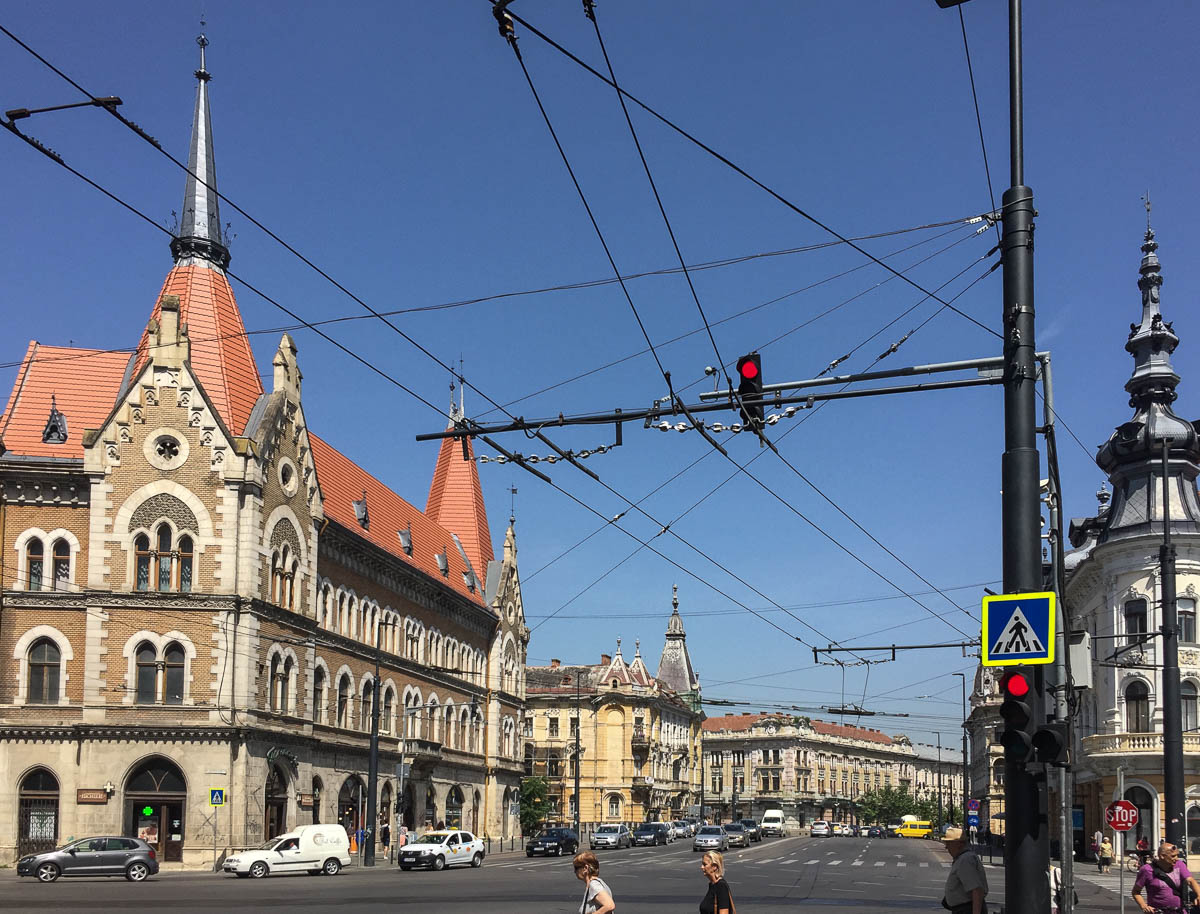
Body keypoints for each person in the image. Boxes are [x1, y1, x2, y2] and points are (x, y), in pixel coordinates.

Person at [1132, 842, 1200, 914]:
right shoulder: (1146, 870)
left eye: (1177, 855)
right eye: (1173, 856)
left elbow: (1190, 880)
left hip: (1179, 911)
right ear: (1162, 856)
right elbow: (1136, 892)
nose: (1176, 858)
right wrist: (1144, 906)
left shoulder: (1180, 865)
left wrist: (1199, 894)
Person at [941, 826, 988, 914]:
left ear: (960, 844)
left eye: (949, 843)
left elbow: (976, 889)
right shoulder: (963, 858)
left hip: (966, 909)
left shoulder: (965, 860)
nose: (946, 847)